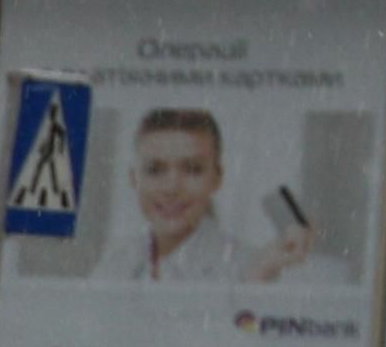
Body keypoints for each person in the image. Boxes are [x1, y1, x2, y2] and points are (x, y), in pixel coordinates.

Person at [108, 106, 316, 285]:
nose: (171, 188)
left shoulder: (253, 266)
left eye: (192, 169)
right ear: (134, 179)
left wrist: (256, 280)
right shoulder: (116, 263)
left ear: (217, 178)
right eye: (155, 170)